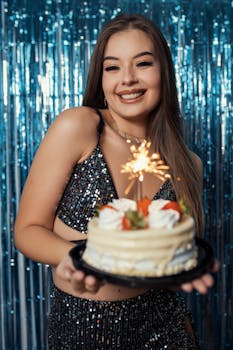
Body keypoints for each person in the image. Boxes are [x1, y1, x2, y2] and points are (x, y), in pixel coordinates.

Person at [14, 13, 218, 349]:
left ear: (163, 73)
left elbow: (173, 260)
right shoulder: (79, 126)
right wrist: (75, 259)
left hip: (166, 335)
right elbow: (27, 230)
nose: (127, 79)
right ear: (101, 78)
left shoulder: (189, 163)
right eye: (113, 67)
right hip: (80, 334)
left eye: (143, 64)